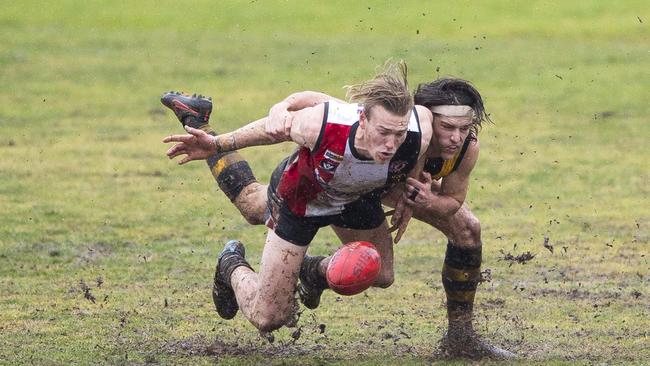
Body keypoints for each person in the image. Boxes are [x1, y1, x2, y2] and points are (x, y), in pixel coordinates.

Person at [162, 74, 514, 359]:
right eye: (446, 127)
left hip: (356, 197)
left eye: (463, 128)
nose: (454, 137)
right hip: (305, 193)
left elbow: (444, 194)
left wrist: (416, 199)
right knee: (255, 210)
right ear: (425, 115)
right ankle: (230, 258)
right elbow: (308, 108)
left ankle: (460, 338)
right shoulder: (358, 121)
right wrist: (263, 117)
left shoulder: (424, 136)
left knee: (400, 263)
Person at [162, 62, 432, 332]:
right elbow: (273, 129)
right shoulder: (322, 125)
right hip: (302, 198)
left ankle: (313, 272)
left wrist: (412, 188)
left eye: (398, 134)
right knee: (268, 317)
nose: (390, 144)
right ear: (362, 118)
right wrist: (218, 143)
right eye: (383, 132)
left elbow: (421, 147)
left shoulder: (417, 132)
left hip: (356, 199)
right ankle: (230, 264)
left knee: (382, 273)